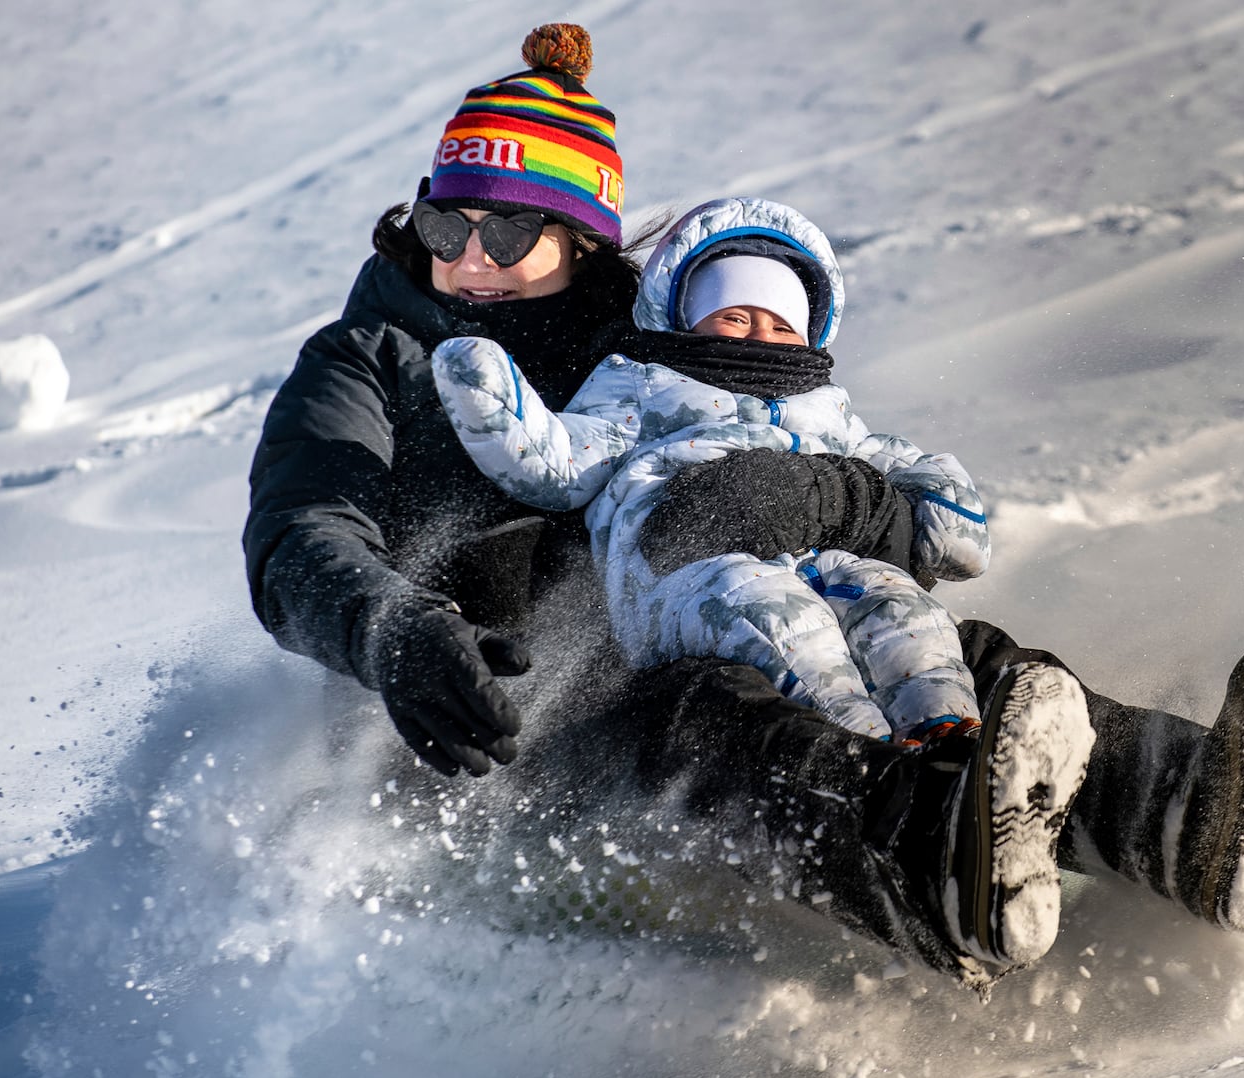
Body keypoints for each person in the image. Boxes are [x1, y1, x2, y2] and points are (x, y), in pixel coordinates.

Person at [242, 26, 1244, 996]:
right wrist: (396, 629)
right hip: (506, 719)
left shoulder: (659, 324)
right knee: (707, 714)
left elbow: (822, 437)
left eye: (505, 230)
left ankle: (1190, 814)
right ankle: (933, 871)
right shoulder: (369, 361)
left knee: (951, 656)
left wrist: (828, 494)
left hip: (707, 606)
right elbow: (299, 537)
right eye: (445, 224)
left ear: (578, 235)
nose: (467, 258)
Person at [430, 196, 1098, 970]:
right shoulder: (641, 383)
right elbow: (560, 461)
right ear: (683, 315)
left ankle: (958, 748)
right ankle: (882, 766)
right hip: (689, 568)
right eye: (733, 315)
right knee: (783, 624)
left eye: (780, 322)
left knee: (903, 612)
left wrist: (937, 502)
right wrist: (491, 399)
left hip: (827, 556)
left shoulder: (826, 407)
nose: (757, 333)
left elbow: (904, 477)